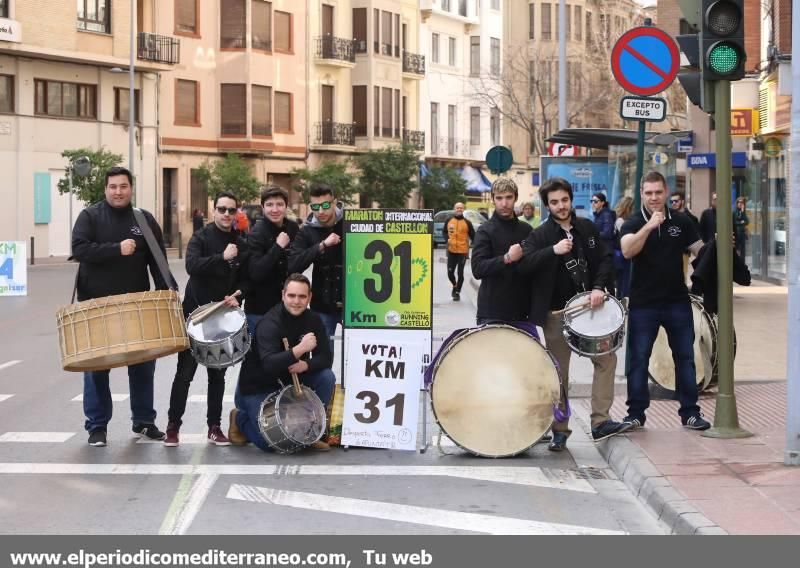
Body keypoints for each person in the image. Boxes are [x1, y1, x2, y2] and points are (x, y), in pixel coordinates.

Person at [518, 177, 628, 451]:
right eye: (554, 202)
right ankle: (560, 429)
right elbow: (525, 266)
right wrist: (552, 251)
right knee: (559, 373)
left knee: (606, 360)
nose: (561, 206)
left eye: (564, 200)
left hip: (590, 310)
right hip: (557, 314)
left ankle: (600, 421)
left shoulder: (587, 228)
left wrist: (599, 287)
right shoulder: (540, 235)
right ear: (547, 205)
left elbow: (604, 260)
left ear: (570, 199)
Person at [71, 166, 171, 447]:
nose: (118, 191)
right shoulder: (90, 216)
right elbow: (79, 249)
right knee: (96, 369)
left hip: (136, 305)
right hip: (96, 306)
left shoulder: (143, 219)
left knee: (142, 366)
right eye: (113, 186)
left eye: (123, 186)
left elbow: (158, 261)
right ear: (105, 189)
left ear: (131, 188)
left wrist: (166, 295)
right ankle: (97, 427)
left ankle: (144, 422)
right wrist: (116, 249)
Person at [620, 171, 709, 431]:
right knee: (638, 360)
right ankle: (636, 414)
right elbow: (627, 250)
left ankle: (690, 413)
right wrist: (649, 227)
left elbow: (700, 251)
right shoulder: (633, 221)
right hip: (643, 304)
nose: (654, 197)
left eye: (658, 192)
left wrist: (717, 248)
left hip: (676, 302)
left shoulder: (682, 221)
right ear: (641, 194)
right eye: (648, 193)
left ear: (666, 192)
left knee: (685, 358)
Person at [164, 192, 250, 447]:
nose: (226, 214)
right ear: (213, 211)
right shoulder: (201, 237)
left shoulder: (241, 242)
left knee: (217, 375)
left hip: (222, 319)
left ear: (236, 213)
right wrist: (221, 258)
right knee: (184, 374)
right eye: (221, 209)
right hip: (195, 315)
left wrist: (239, 295)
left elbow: (246, 278)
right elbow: (191, 266)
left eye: (231, 210)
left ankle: (214, 426)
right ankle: (173, 426)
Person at [229, 274, 335, 452]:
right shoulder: (269, 323)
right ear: (283, 295)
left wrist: (306, 365)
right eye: (291, 296)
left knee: (326, 377)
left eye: (302, 296)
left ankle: (311, 430)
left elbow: (326, 357)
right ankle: (240, 419)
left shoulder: (313, 319)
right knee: (271, 443)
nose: (296, 301)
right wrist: (299, 350)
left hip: (291, 381)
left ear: (309, 297)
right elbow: (269, 364)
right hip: (260, 387)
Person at [288, 184, 343, 354]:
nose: (321, 211)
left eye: (326, 205)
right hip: (323, 303)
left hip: (355, 302)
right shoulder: (307, 231)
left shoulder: (351, 222)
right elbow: (293, 265)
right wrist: (321, 246)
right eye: (315, 207)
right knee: (323, 355)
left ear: (334, 203)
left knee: (360, 353)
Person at [471, 178, 532, 325]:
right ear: (493, 199)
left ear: (516, 197)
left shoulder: (527, 230)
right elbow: (478, 269)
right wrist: (507, 258)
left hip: (522, 312)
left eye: (508, 197)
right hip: (492, 312)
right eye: (499, 198)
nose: (504, 204)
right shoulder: (485, 230)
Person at [246, 186, 300, 333]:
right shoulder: (256, 233)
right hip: (260, 309)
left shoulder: (293, 228)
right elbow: (256, 272)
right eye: (270, 205)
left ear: (286, 207)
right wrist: (277, 246)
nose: (275, 210)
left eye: (279, 204)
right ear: (263, 207)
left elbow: (297, 262)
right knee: (259, 354)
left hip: (289, 306)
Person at [442, 202, 475, 301]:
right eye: (457, 208)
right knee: (450, 272)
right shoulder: (449, 220)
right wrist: (447, 238)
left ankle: (457, 292)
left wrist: (476, 245)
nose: (459, 209)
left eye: (461, 208)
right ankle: (454, 285)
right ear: (454, 209)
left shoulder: (467, 222)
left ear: (463, 209)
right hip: (451, 250)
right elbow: (444, 231)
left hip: (462, 251)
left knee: (460, 273)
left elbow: (474, 236)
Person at [613, 196, 634, 298]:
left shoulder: (621, 219)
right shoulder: (620, 221)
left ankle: (622, 297)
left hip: (621, 253)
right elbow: (625, 235)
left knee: (623, 279)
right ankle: (622, 298)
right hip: (621, 253)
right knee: (623, 279)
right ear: (628, 208)